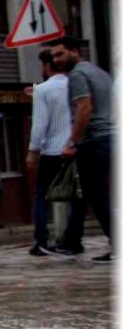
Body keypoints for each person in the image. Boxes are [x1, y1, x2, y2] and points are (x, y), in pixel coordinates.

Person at [48, 36, 114, 262]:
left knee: (97, 196)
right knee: (87, 193)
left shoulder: (77, 75)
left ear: (75, 51)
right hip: (109, 138)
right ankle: (71, 242)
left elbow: (84, 108)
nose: (56, 60)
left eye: (60, 54)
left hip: (94, 141)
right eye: (54, 56)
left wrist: (72, 142)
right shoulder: (101, 74)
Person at [26, 49, 73, 256]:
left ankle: (42, 241)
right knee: (73, 195)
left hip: (52, 151)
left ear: (46, 66)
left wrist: (32, 151)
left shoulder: (43, 90)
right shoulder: (74, 84)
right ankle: (70, 239)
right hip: (73, 149)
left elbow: (40, 124)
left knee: (41, 196)